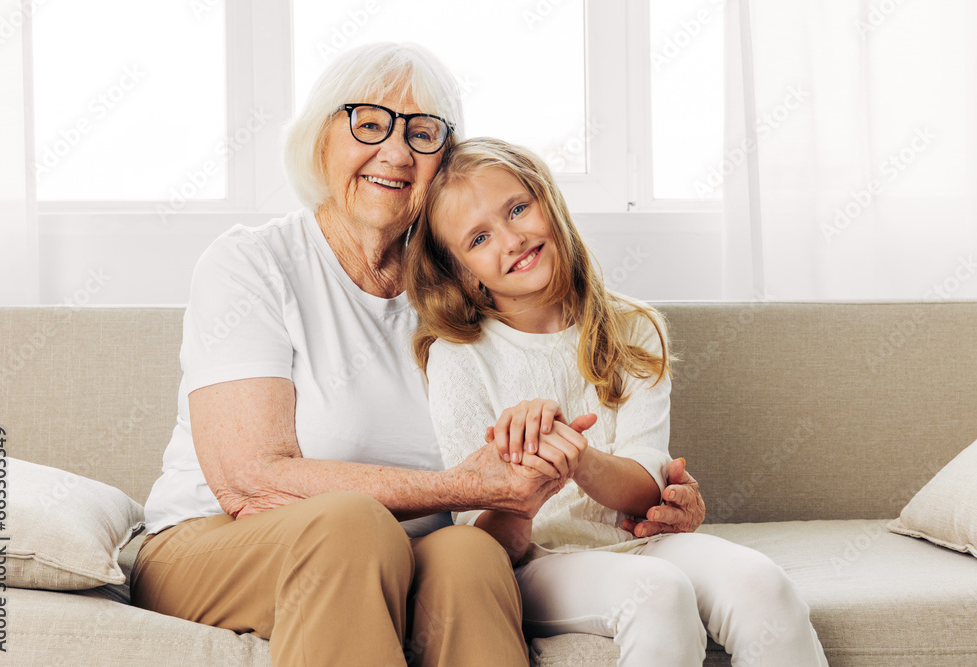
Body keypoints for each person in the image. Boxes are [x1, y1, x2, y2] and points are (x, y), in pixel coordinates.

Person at [131, 42, 705, 666]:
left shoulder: (469, 283)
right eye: (369, 124)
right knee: (354, 526)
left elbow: (559, 398)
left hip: (403, 552)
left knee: (469, 554)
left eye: (423, 134)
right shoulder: (251, 265)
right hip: (216, 544)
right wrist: (460, 485)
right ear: (319, 139)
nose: (397, 152)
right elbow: (252, 481)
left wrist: (651, 499)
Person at [405, 137, 829, 666]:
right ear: (465, 272)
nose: (511, 239)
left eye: (518, 209)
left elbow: (647, 487)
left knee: (762, 583)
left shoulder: (633, 328)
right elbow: (482, 541)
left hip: (636, 542)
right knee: (654, 593)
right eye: (479, 238)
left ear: (550, 204)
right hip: (538, 559)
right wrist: (531, 473)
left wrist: (578, 458)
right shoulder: (460, 357)